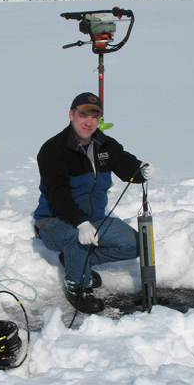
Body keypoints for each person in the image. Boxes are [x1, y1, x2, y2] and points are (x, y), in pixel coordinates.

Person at [34, 92, 155, 314]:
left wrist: (141, 170)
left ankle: (74, 261)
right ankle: (77, 286)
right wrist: (80, 222)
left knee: (136, 245)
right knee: (78, 238)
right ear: (71, 115)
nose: (88, 122)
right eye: (83, 115)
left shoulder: (105, 145)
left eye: (94, 116)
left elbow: (126, 166)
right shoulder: (53, 150)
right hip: (54, 221)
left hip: (95, 218)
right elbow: (58, 193)